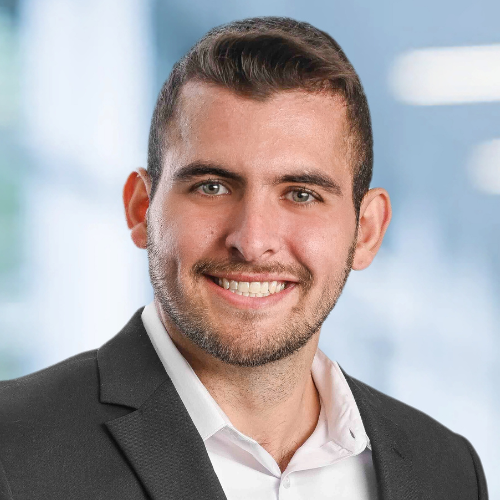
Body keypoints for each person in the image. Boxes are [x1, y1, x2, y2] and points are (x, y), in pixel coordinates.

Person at [0, 16, 488, 500]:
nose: (252, 242)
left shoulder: (446, 470)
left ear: (367, 231)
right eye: (211, 187)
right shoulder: (14, 448)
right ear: (141, 208)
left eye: (301, 194)